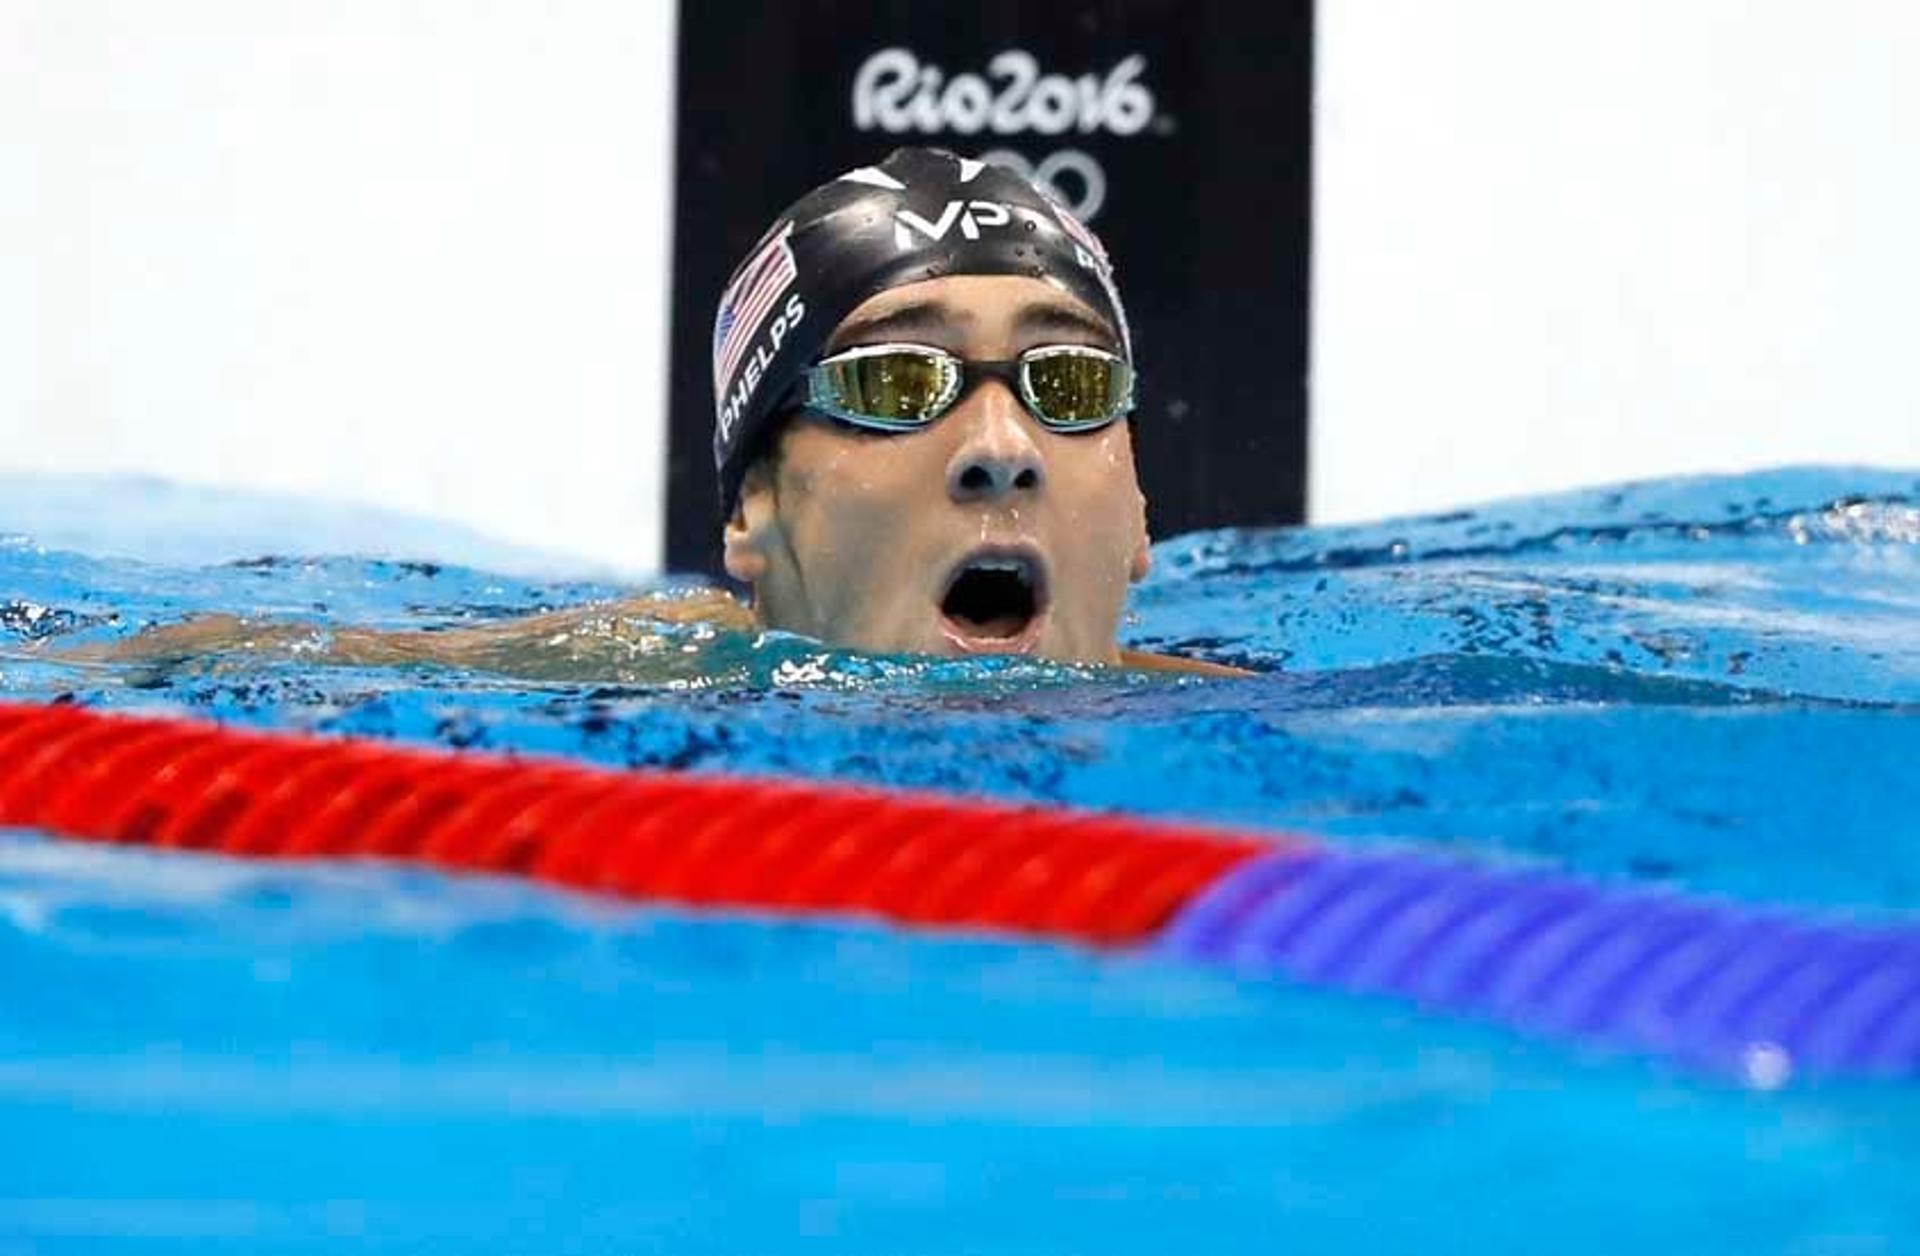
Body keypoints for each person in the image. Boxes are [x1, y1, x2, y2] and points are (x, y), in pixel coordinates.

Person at [50, 147, 1242, 680]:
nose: (1000, 452)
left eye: (1068, 386)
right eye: (896, 385)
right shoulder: (648, 675)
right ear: (755, 510)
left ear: (1139, 508)